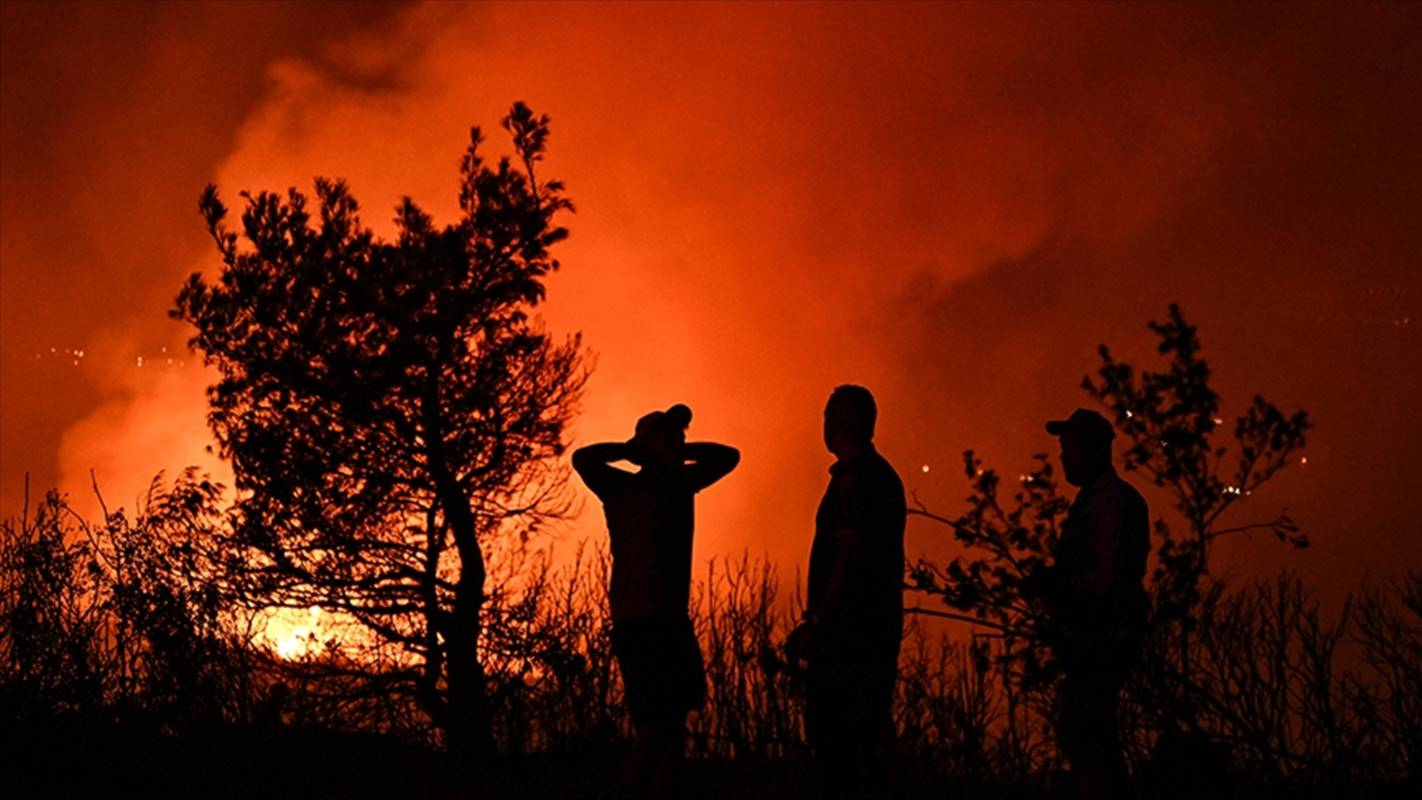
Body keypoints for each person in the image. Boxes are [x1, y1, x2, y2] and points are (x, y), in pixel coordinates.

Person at [572, 404, 739, 800]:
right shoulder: (621, 486)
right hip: (638, 623)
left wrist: (674, 451)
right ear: (646, 444)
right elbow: (583, 458)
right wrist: (634, 450)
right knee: (652, 729)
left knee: (673, 729)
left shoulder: (682, 482)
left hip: (672, 621)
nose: (679, 442)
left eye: (680, 437)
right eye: (670, 436)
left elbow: (729, 456)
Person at [787, 385, 906, 798]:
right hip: (872, 633)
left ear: (836, 423)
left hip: (848, 640)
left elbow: (849, 555)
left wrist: (819, 622)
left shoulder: (856, 480)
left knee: (841, 752)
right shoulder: (879, 477)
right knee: (866, 747)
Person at [1037, 408, 1150, 800]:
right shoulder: (1095, 500)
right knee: (1087, 726)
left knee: (1088, 726)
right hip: (1094, 630)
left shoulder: (1110, 502)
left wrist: (1066, 589)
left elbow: (1112, 572)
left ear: (1093, 450)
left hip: (1103, 631)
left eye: (1070, 449)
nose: (1063, 457)